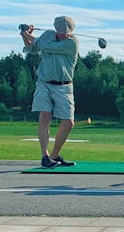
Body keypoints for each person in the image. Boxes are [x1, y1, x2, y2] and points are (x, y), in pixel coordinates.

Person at [21, 16, 80, 168]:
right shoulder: (47, 35)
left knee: (68, 123)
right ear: (56, 29)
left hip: (64, 86)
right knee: (44, 117)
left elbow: (45, 46)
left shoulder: (72, 43)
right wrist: (23, 35)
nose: (64, 34)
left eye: (67, 32)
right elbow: (32, 49)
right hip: (44, 83)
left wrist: (28, 34)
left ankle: (54, 155)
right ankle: (45, 156)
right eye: (61, 32)